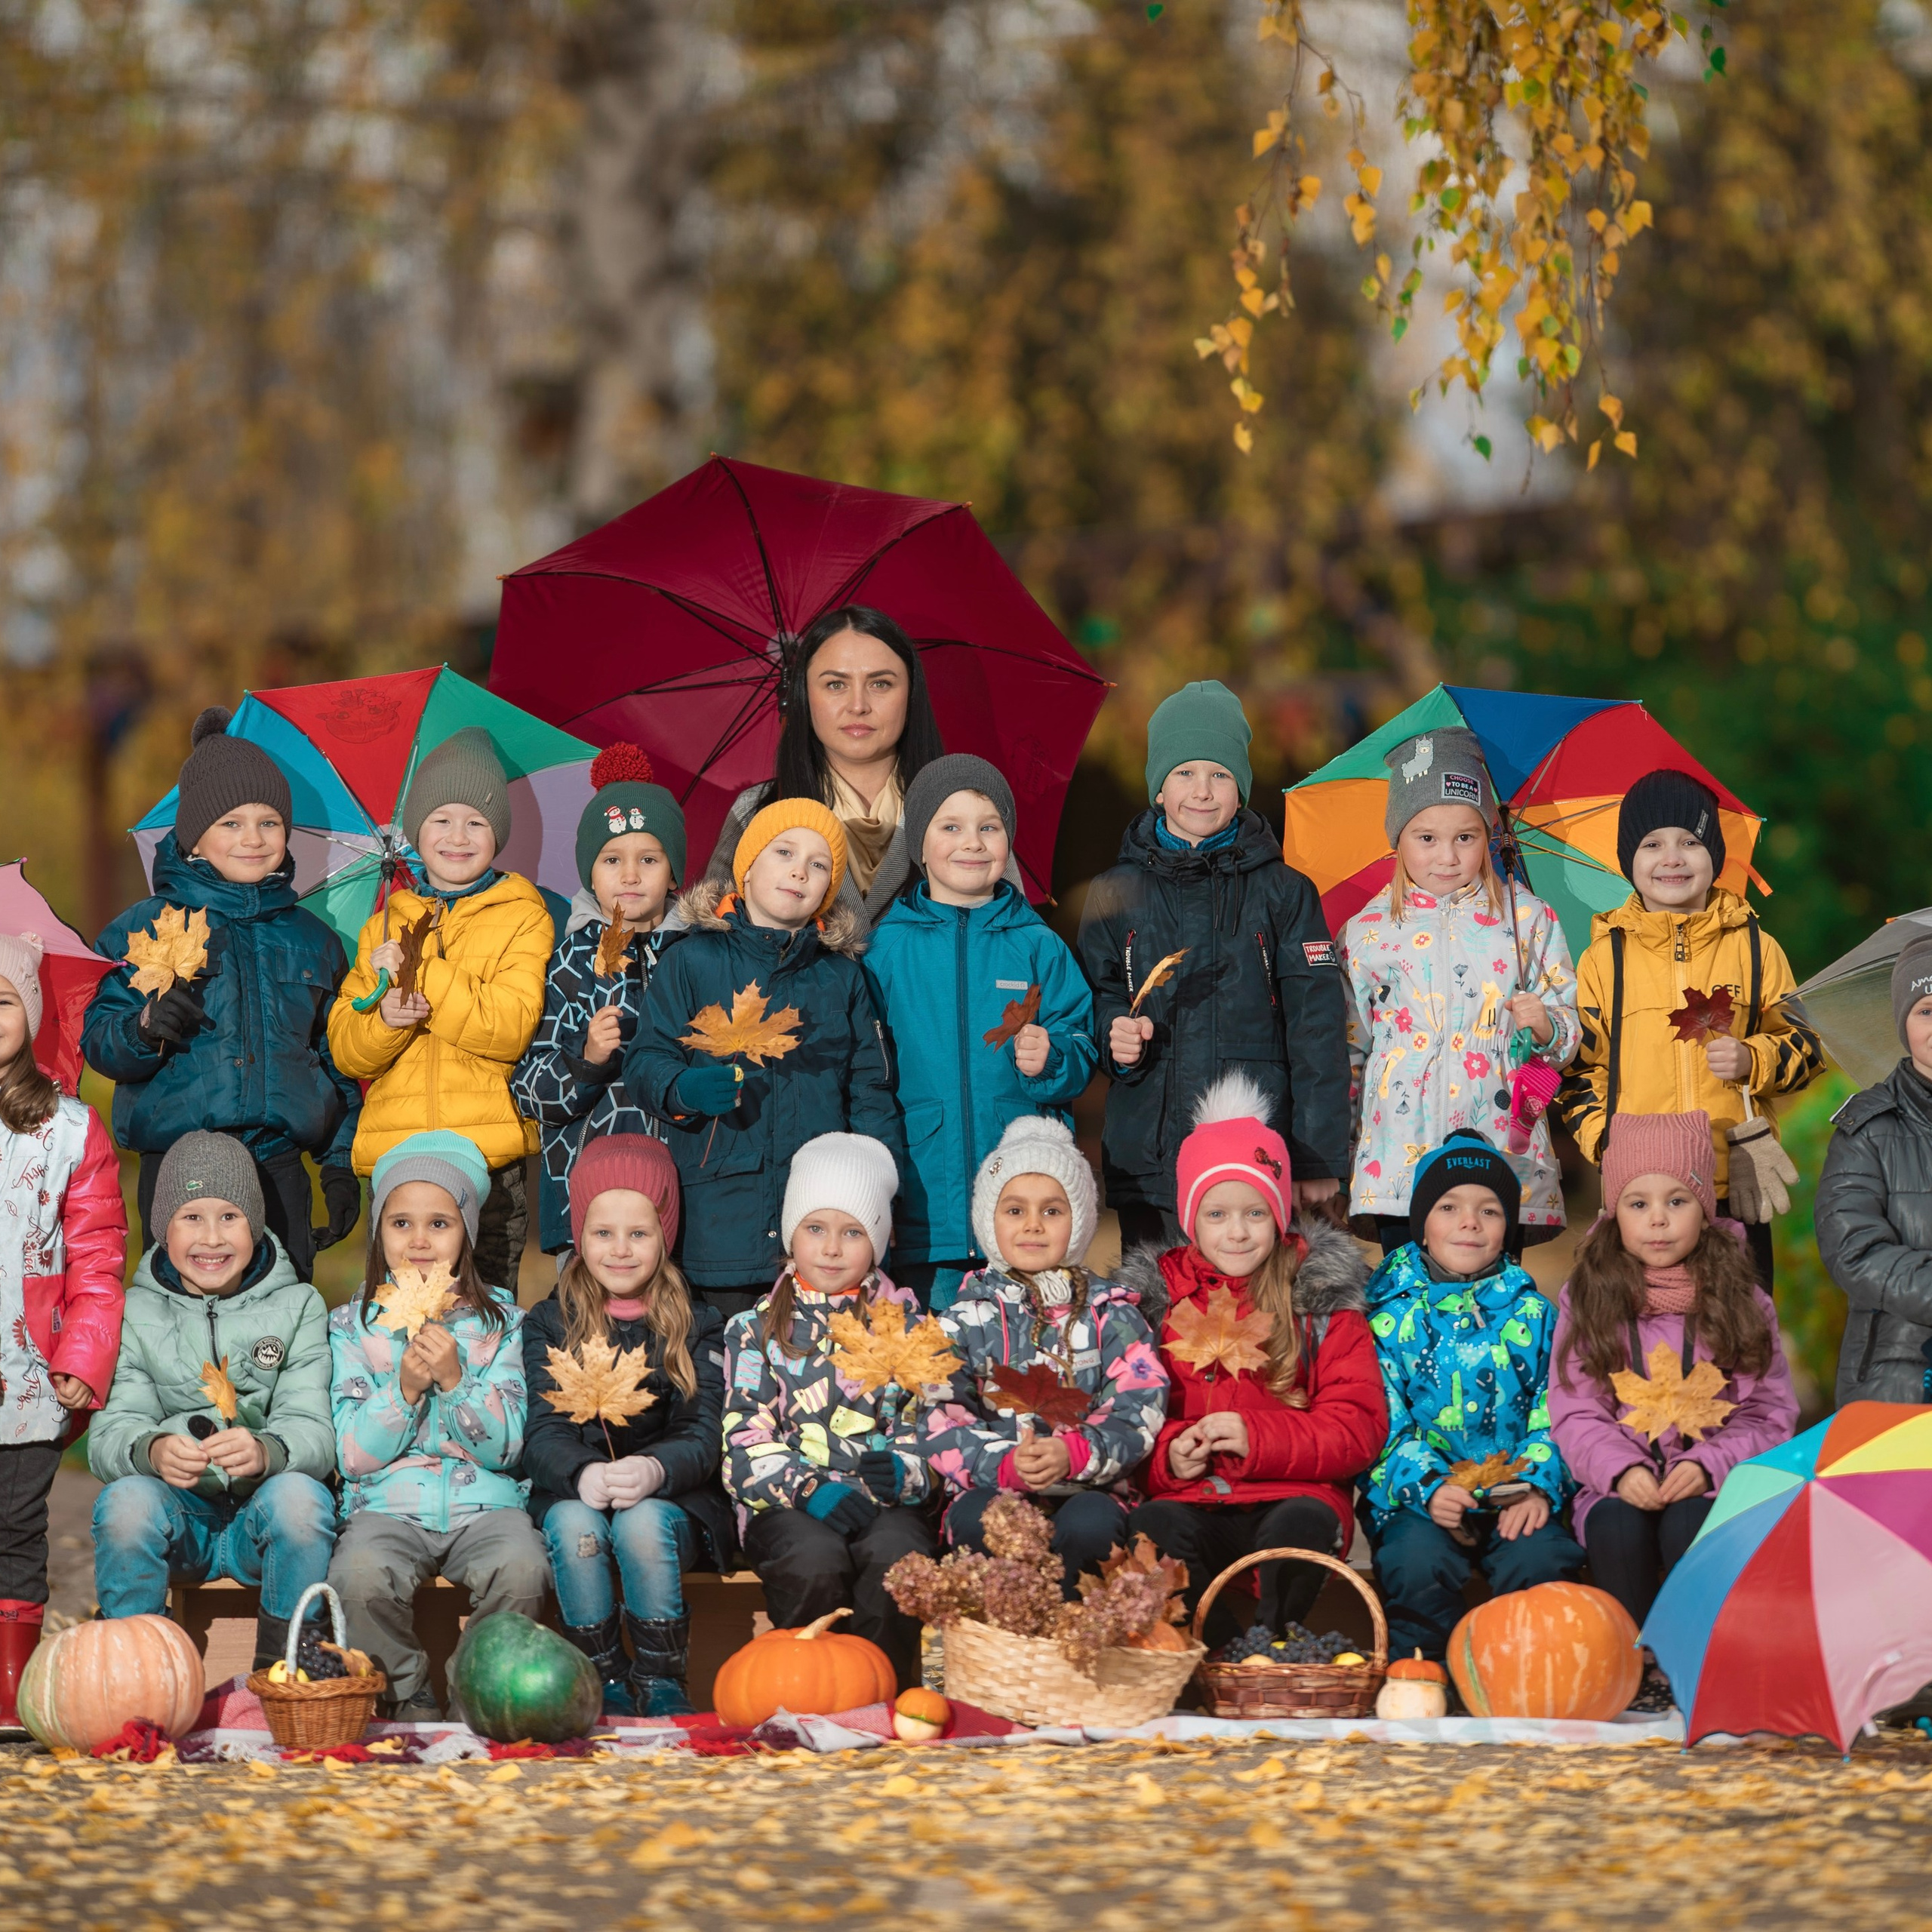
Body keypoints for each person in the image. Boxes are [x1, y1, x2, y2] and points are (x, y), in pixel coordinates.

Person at [84, 706, 362, 1276]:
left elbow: (336, 1060)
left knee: (282, 1323)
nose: (253, 838)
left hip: (278, 1160)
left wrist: (338, 1165)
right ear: (194, 835)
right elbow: (99, 1041)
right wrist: (143, 1031)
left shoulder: (316, 941)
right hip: (182, 1162)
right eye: (231, 823)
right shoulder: (148, 926)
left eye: (269, 823)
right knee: (180, 1333)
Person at [1078, 679, 1351, 1253]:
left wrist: (1316, 1154)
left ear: (1241, 788)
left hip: (1255, 1159)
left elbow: (1317, 1027)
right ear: (1158, 787)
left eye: (1220, 774)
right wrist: (1112, 1035)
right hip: (1151, 1159)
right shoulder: (1114, 894)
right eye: (1184, 773)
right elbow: (1091, 999)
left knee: (1253, 1322)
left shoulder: (1284, 893)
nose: (1202, 791)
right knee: (1157, 1319)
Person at [1124, 1073, 1386, 1642]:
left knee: (1300, 1527)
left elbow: (1357, 1426)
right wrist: (1169, 1456)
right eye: (1217, 1214)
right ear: (1190, 1217)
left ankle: (1271, 1649)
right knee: (1151, 1530)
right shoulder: (1153, 1306)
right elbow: (1126, 1423)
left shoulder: (1321, 1299)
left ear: (1279, 1213)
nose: (1237, 1233)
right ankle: (1212, 1653)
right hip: (1193, 1497)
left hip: (1294, 1493)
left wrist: (1256, 1437)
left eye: (1256, 1213)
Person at [1549, 1111, 1796, 1706]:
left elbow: (1769, 1411)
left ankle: (1692, 1664)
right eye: (1638, 1203)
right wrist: (1620, 1470)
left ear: (1705, 1208)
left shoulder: (1741, 1299)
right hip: (1618, 1483)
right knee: (1617, 1527)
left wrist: (1711, 1464)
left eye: (1677, 1199)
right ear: (1614, 1212)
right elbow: (1576, 1407)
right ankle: (1631, 1666)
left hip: (1712, 1483)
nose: (1657, 1219)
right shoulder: (1588, 1297)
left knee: (1693, 1524)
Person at [626, 800, 905, 1319]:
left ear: (828, 889)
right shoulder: (690, 960)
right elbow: (646, 1060)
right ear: (748, 867)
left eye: (819, 865)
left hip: (820, 1228)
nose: (800, 870)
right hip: (720, 1219)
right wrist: (683, 1090)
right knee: (725, 1378)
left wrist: (880, 1189)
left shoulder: (841, 977)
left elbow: (871, 1091)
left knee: (814, 1381)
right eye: (784, 852)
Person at [1555, 768, 1826, 1292]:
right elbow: (1580, 1072)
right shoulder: (1601, 960)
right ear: (1628, 859)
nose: (1672, 857)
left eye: (1691, 841)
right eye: (1653, 843)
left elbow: (1808, 1048)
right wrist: (1608, 1143)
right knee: (1644, 1348)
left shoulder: (1755, 949)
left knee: (1739, 1339)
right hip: (1643, 1193)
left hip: (1732, 1183)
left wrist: (1755, 1059)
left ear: (1716, 856)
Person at [89, 1133, 335, 1670]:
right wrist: (151, 1450)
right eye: (191, 1218)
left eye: (230, 1217)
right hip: (180, 1517)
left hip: (259, 1517)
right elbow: (112, 1431)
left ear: (256, 1224)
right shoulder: (136, 1312)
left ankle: (290, 1663)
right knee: (125, 1505)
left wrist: (269, 1450)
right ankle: (137, 1664)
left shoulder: (299, 1306)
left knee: (302, 1500)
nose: (212, 1237)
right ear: (163, 1229)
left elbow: (313, 1425)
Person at [327, 1131, 547, 1719]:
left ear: (467, 1235)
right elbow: (350, 1454)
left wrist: (456, 1383)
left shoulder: (504, 1324)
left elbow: (508, 1448)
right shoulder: (353, 1327)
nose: (419, 1240)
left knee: (524, 1568)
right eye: (400, 1223)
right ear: (379, 1232)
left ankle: (476, 1690)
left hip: (488, 1505)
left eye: (439, 1224)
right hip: (386, 1506)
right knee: (358, 1576)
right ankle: (407, 1698)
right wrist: (401, 1392)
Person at [864, 755, 1097, 1308]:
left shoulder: (1037, 943)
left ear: (1008, 842)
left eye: (989, 827)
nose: (972, 842)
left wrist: (1055, 1057)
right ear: (919, 846)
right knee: (933, 1364)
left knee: (1019, 1368)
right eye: (951, 827)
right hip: (924, 1205)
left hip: (1021, 1212)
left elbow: (1081, 1038)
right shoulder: (885, 950)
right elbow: (864, 1068)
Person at [328, 728, 553, 1290]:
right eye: (441, 820)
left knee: (488, 1307)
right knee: (399, 1310)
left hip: (487, 1154)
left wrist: (420, 968)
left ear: (497, 833)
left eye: (476, 822)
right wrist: (385, 1021)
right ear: (415, 832)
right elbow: (347, 1048)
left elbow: (510, 1028)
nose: (458, 837)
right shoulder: (385, 921)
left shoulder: (524, 915)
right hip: (400, 1156)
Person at [1342, 728, 1578, 1253]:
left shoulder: (1525, 921)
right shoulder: (1367, 933)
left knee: (1497, 1306)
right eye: (1426, 838)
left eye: (1465, 838)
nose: (1446, 856)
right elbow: (1349, 1051)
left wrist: (1547, 1025)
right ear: (1397, 839)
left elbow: (1564, 1036)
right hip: (1399, 1159)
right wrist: (1340, 1157)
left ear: (1489, 837)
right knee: (1404, 1305)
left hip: (1500, 1152)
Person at [522, 1136, 731, 1717]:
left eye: (638, 1233)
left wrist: (656, 1468)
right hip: (578, 1492)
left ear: (665, 1235)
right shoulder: (549, 1323)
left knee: (641, 1522)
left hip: (671, 1501)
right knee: (571, 1521)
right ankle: (602, 1675)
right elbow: (542, 1431)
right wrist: (581, 1471)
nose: (620, 1250)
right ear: (579, 1237)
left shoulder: (698, 1323)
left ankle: (663, 1678)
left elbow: (703, 1428)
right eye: (602, 1233)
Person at [721, 1134, 936, 1692]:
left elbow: (932, 1423)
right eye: (816, 1228)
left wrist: (906, 1470)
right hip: (788, 1502)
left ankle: (882, 1692)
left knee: (897, 1555)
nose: (832, 1248)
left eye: (853, 1232)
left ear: (879, 1241)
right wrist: (805, 1488)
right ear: (792, 1233)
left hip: (881, 1498)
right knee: (813, 1558)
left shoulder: (909, 1326)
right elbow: (743, 1437)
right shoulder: (757, 1329)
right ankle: (808, 1691)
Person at [918, 1115, 1167, 1595]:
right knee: (980, 1522)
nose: (1033, 1224)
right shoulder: (961, 1320)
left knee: (1092, 1529)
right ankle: (998, 1650)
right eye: (1014, 1210)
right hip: (991, 1483)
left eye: (1052, 1211)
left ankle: (1076, 1648)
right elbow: (938, 1418)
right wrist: (1006, 1463)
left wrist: (1075, 1453)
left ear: (1079, 1221)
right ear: (989, 1220)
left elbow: (1139, 1408)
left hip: (1090, 1486)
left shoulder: (1112, 1316)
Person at [1361, 1131, 1583, 1663]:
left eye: (1489, 1210)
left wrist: (1535, 1486)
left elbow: (1557, 1411)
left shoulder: (1534, 1315)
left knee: (1543, 1560)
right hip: (1423, 1498)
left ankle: (1524, 1674)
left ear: (1508, 1228)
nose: (1470, 1222)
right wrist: (1428, 1486)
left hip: (1515, 1491)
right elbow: (1381, 1422)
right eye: (1449, 1207)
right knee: (1414, 1563)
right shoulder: (1389, 1318)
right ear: (1420, 1226)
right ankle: (1424, 1674)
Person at [702, 605, 1016, 936]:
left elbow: (1016, 942)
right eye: (836, 685)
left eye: (880, 683)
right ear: (804, 696)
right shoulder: (757, 812)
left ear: (911, 695)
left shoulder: (970, 808)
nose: (858, 705)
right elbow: (711, 948)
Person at [0, 934, 125, 1725]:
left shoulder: (70, 1130)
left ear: (30, 1011)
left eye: (2, 998)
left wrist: (83, 1352)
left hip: (27, 1368)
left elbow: (97, 1256)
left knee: (14, 1525)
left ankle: (10, 1686)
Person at [512, 743, 689, 1255]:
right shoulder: (568, 962)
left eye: (649, 859)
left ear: (674, 872)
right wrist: (585, 1059)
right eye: (612, 859)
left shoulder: (699, 956)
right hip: (585, 1203)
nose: (630, 875)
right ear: (590, 872)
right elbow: (530, 1091)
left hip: (679, 1201)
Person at [1819, 936, 1932, 1404]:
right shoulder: (1868, 1129)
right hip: (1901, 1371)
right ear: (1903, 1024)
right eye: (1926, 1010)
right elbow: (1854, 1251)